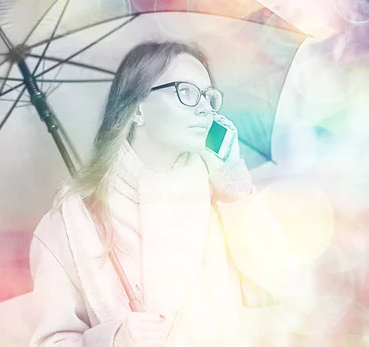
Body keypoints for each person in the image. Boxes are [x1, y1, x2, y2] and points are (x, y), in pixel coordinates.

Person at [28, 41, 292, 346]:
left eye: (208, 95)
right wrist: (114, 340)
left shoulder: (220, 196)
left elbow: (278, 283)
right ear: (138, 107)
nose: (205, 107)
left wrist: (232, 177)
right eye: (187, 92)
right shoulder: (72, 222)